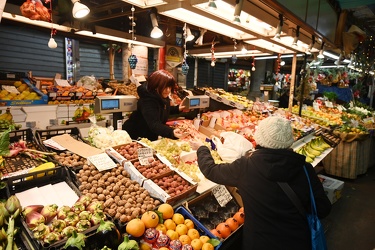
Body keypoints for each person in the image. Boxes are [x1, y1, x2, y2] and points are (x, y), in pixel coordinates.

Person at [190, 116, 331, 250]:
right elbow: (323, 208)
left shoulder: (246, 166)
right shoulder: (305, 169)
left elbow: (211, 170)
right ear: (289, 140)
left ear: (260, 139)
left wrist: (202, 149)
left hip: (259, 242)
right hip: (297, 242)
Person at [122, 69, 186, 141]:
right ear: (155, 85)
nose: (168, 90)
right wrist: (171, 132)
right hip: (135, 137)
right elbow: (154, 124)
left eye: (169, 87)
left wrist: (177, 109)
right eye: (164, 86)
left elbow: (162, 109)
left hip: (148, 136)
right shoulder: (147, 100)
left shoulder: (162, 96)